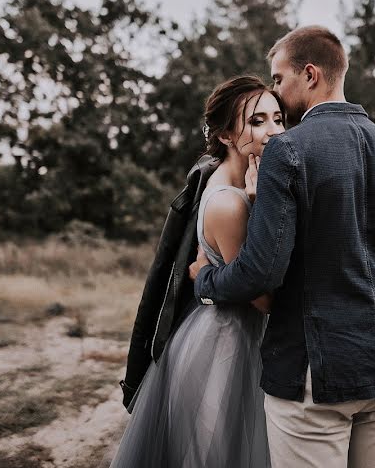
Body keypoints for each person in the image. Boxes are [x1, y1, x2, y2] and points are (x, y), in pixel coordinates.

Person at [190, 26, 375, 468]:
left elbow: (261, 273)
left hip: (316, 374)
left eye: (279, 79)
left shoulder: (287, 150)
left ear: (310, 74)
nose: (276, 91)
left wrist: (205, 277)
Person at [111, 75, 285, 468]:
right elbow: (263, 298)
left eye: (278, 118)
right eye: (257, 122)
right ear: (224, 134)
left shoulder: (246, 184)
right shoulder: (231, 203)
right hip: (225, 344)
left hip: (233, 334)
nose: (274, 131)